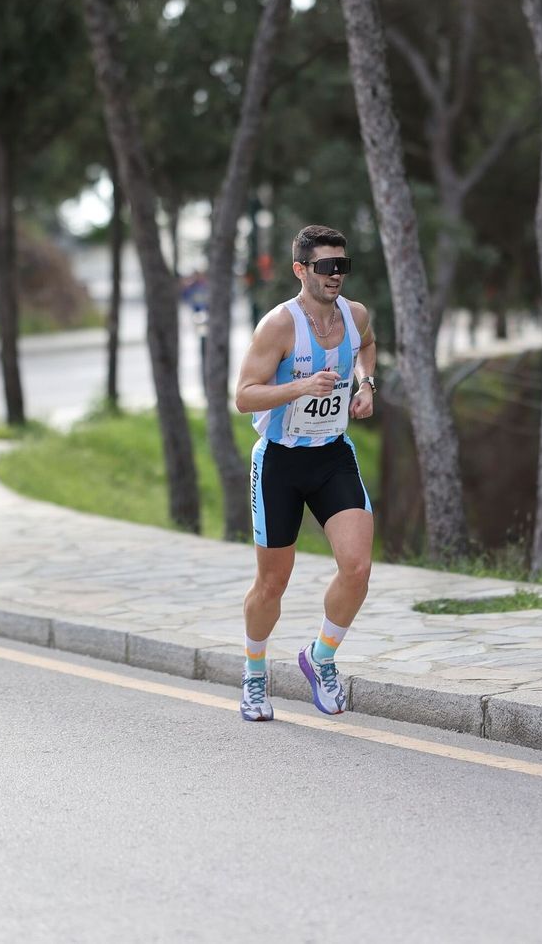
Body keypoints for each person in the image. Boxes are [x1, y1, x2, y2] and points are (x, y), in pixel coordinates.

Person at [233, 225, 377, 721]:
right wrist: (300, 387)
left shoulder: (355, 315)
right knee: (272, 584)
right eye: (326, 266)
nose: (336, 275)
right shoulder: (279, 326)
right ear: (300, 270)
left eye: (343, 265)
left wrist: (366, 385)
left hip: (332, 455)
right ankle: (255, 674)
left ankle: (321, 657)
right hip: (281, 461)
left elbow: (367, 346)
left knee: (357, 569)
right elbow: (244, 396)